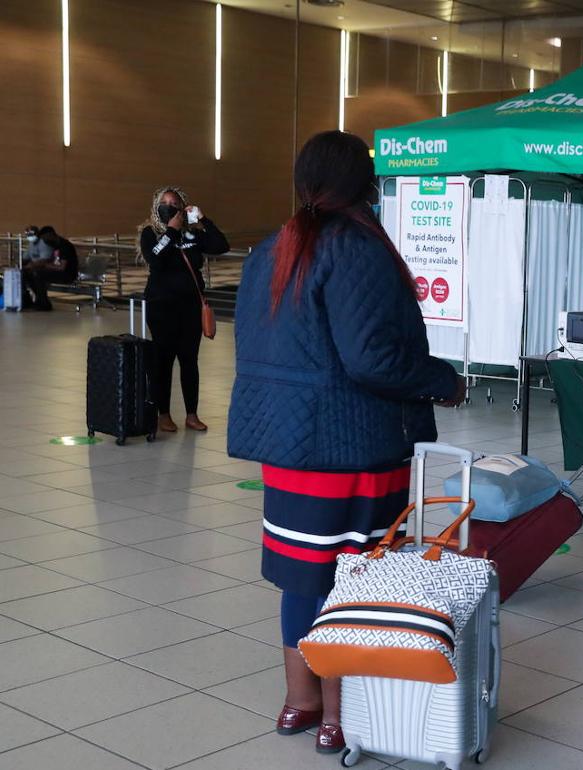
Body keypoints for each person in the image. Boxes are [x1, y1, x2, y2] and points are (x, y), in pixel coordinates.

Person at [227, 130, 464, 755]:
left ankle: (298, 703)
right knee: (357, 577)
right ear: (364, 183)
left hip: (287, 445)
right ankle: (341, 713)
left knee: (303, 578)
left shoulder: (272, 249)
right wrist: (444, 380)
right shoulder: (357, 248)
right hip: (352, 445)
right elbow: (372, 361)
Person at [139, 187, 229, 433]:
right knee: (164, 360)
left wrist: (202, 219)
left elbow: (222, 245)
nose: (169, 207)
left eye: (174, 203)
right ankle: (164, 414)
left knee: (190, 360)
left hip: (190, 306)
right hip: (161, 307)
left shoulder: (193, 235)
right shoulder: (151, 233)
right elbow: (155, 261)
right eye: (165, 203)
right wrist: (171, 231)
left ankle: (192, 414)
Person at [23, 226, 79, 310]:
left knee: (38, 274)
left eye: (45, 239)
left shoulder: (65, 246)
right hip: (57, 272)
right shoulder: (54, 245)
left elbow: (61, 267)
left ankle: (43, 303)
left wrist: (45, 265)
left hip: (68, 274)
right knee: (28, 273)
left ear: (51, 235)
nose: (45, 241)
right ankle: (36, 300)